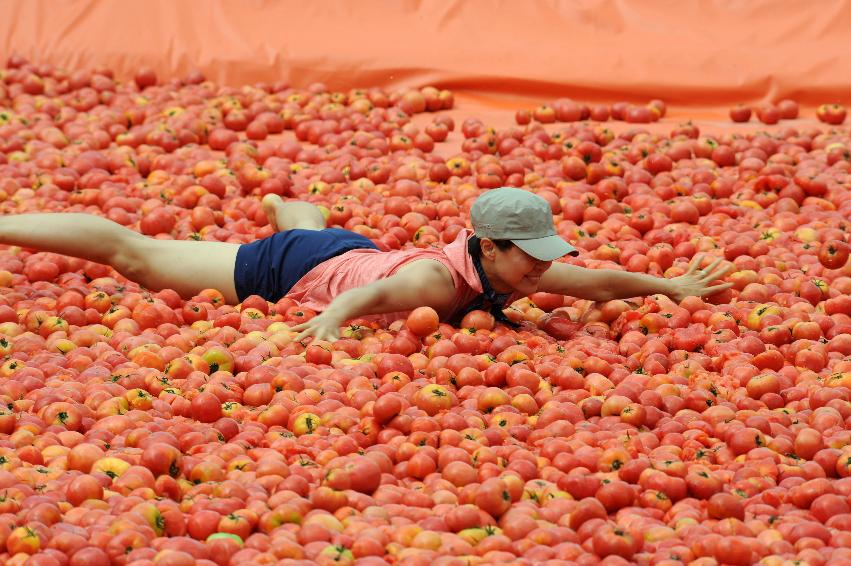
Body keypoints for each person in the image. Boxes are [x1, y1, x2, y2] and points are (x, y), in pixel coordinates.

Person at [0, 187, 733, 342]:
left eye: (545, 257)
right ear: (487, 248)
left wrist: (670, 285)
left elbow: (600, 279)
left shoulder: (516, 272)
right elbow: (371, 299)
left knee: (336, 247)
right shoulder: (434, 280)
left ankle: (300, 209)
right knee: (138, 259)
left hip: (349, 252)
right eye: (530, 257)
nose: (543, 271)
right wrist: (318, 329)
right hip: (292, 270)